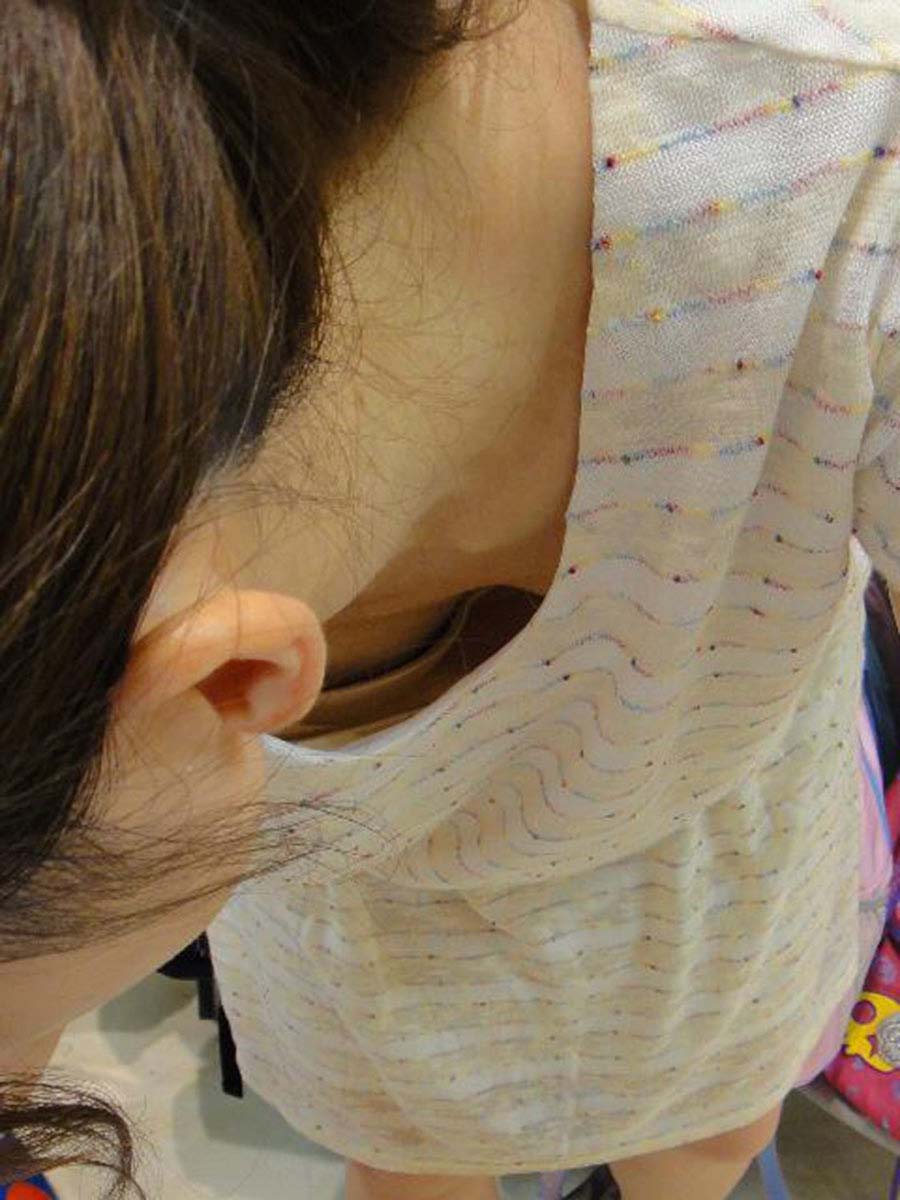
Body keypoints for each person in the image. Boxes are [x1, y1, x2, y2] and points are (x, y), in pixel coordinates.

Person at [1, 1, 898, 1199]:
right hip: (372, 974)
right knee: (418, 1160)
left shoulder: (842, 153)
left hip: (710, 916)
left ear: (228, 686)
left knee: (701, 1146)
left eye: (22, 1109)